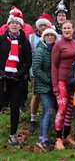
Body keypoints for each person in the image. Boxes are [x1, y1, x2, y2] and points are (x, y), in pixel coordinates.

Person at [0, 12, 32, 146]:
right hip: (2, 78)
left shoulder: (24, 41)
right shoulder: (1, 39)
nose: (14, 25)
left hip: (18, 80)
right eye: (12, 22)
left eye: (17, 23)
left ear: (20, 26)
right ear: (8, 24)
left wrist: (18, 74)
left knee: (14, 107)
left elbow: (28, 61)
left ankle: (13, 134)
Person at [51, 20, 75, 150]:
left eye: (69, 28)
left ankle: (66, 136)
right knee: (62, 109)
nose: (67, 30)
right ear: (62, 30)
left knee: (70, 109)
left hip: (74, 82)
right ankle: (58, 139)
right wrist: (55, 85)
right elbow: (54, 66)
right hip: (62, 81)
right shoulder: (58, 45)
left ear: (73, 29)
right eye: (65, 28)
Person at [32, 28, 58, 151]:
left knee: (51, 111)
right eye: (47, 35)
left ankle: (47, 137)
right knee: (47, 110)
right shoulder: (40, 50)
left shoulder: (54, 49)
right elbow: (36, 69)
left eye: (52, 35)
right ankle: (42, 139)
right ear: (44, 37)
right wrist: (49, 80)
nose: (49, 37)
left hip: (53, 86)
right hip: (44, 87)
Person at [29, 13, 53, 133]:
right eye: (41, 25)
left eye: (45, 25)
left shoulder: (53, 38)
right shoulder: (32, 38)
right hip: (35, 71)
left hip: (48, 72)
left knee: (48, 99)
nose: (43, 27)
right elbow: (29, 55)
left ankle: (48, 121)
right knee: (36, 95)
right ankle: (33, 118)